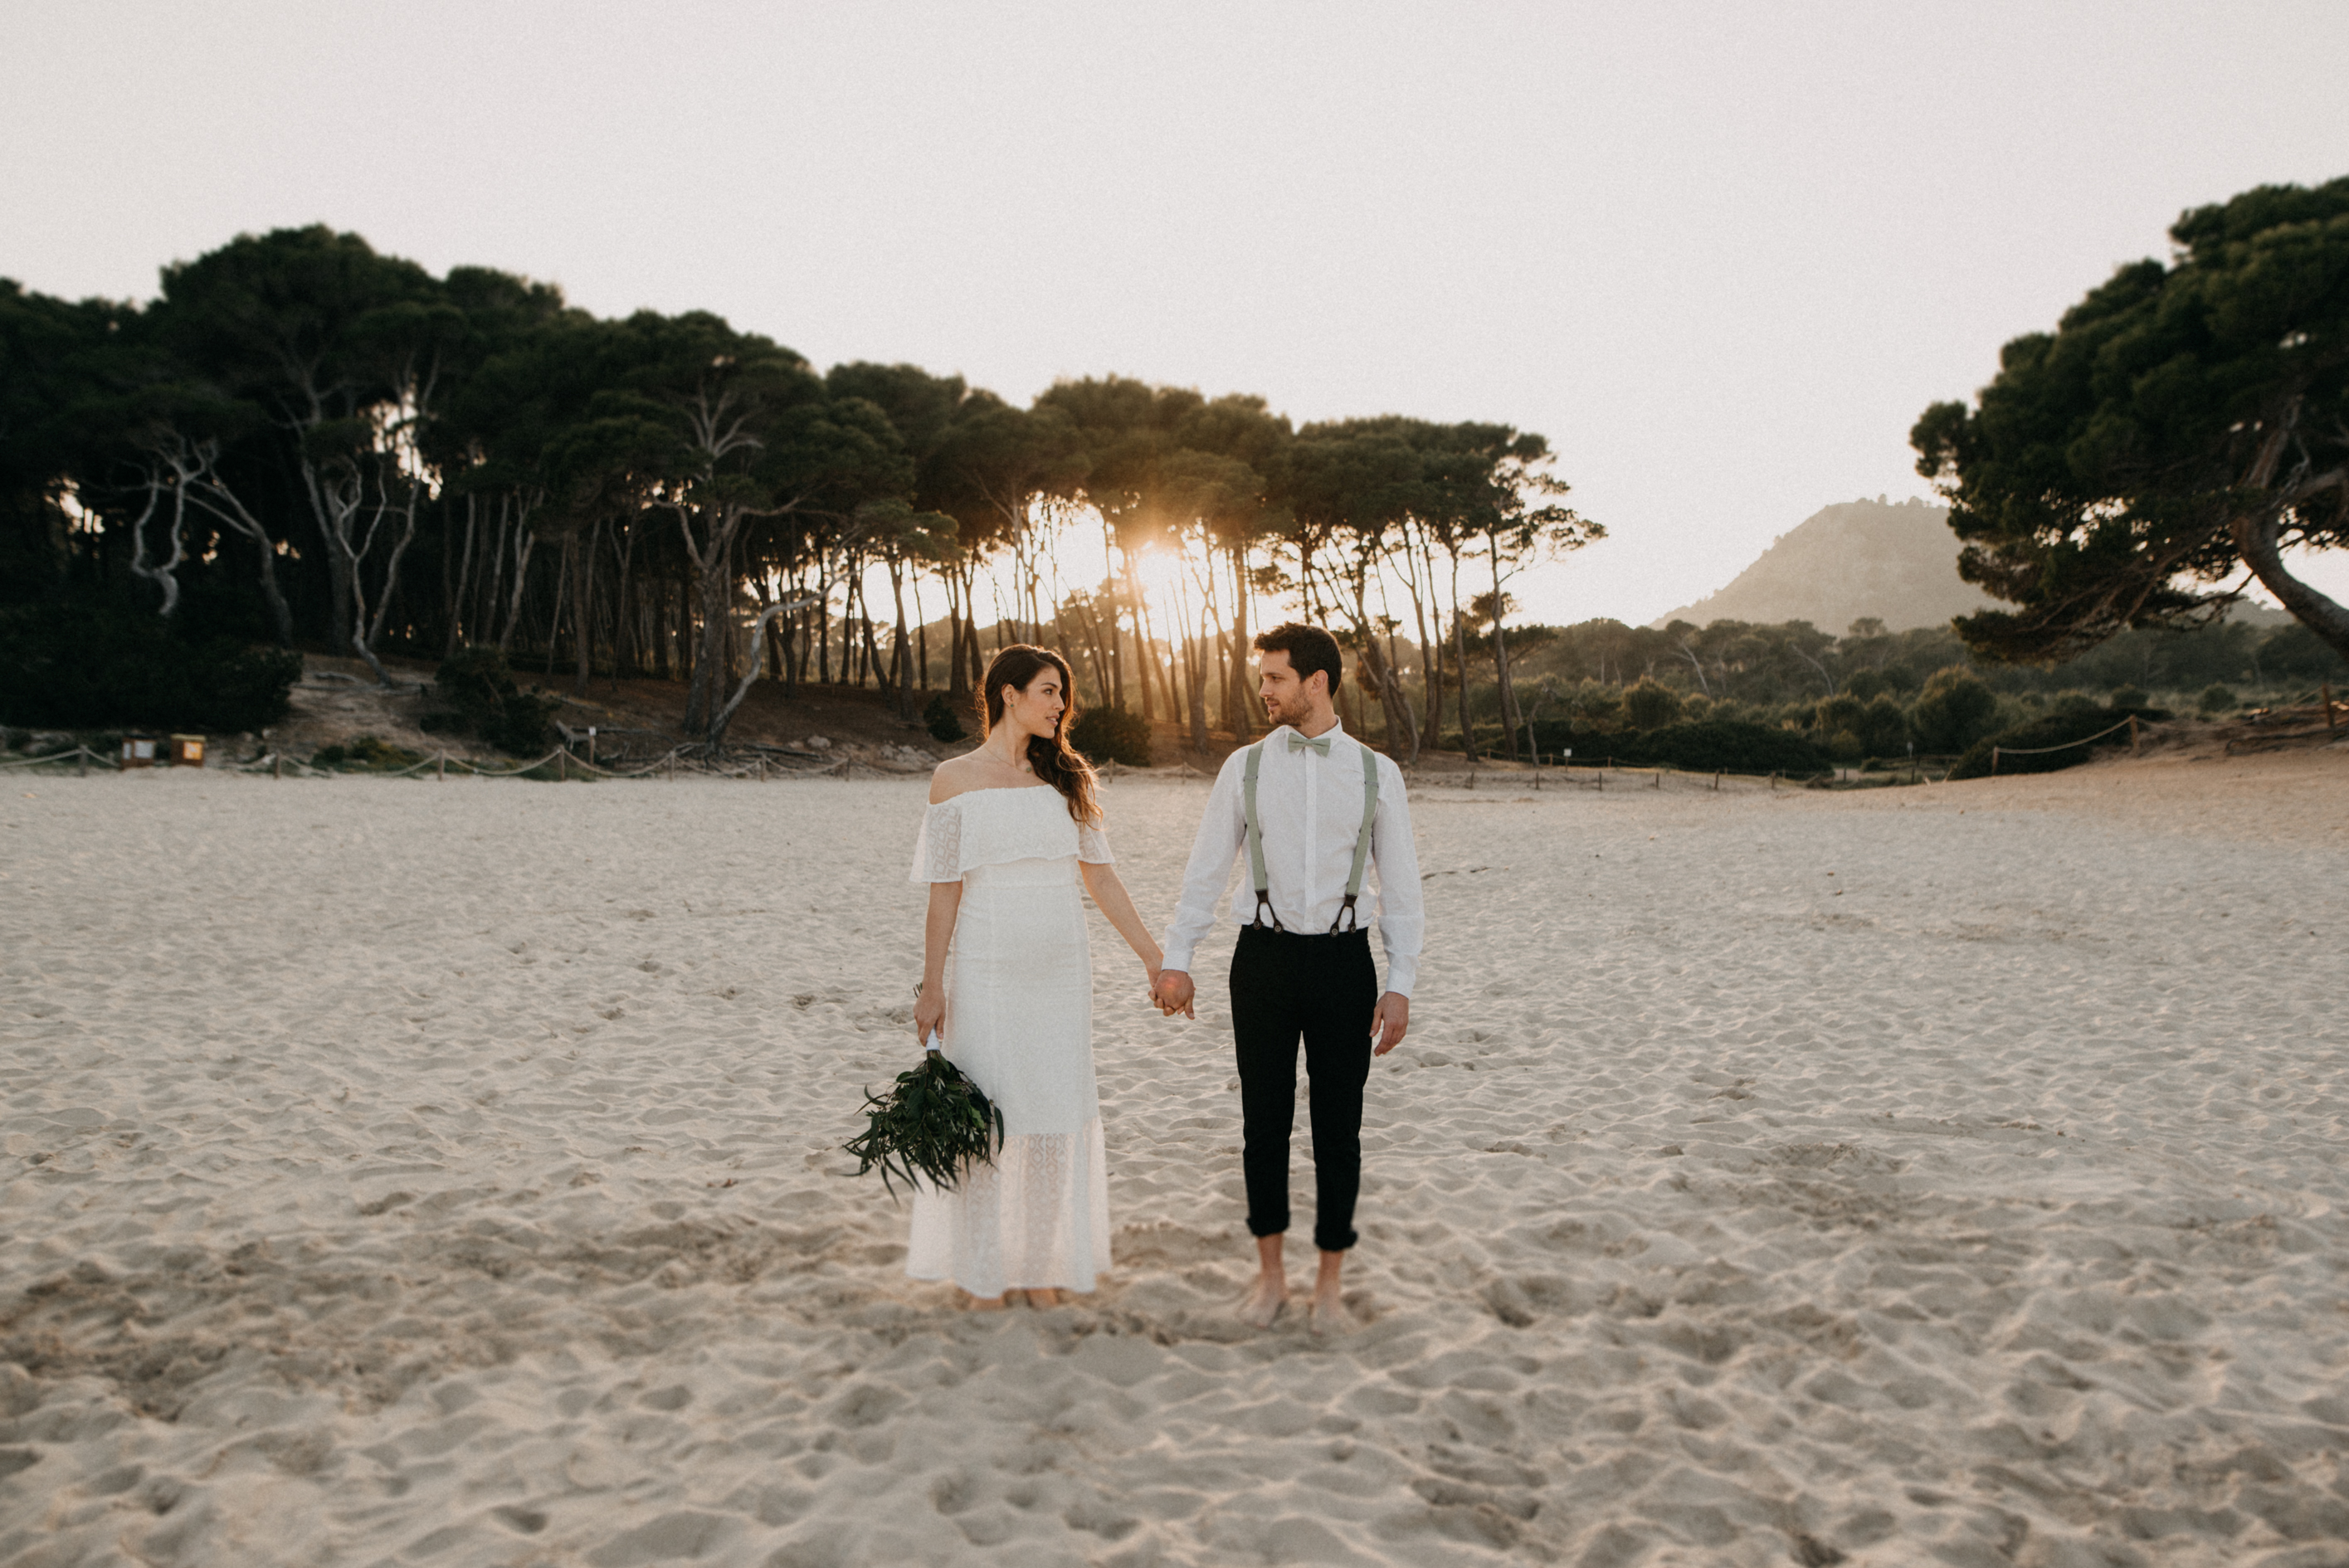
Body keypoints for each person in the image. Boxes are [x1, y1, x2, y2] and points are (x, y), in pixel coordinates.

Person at [1153, 623, 1423, 1332]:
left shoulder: (1376, 773)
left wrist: (1401, 981)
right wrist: (1177, 957)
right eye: (1263, 677)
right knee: (1263, 1124)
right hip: (1262, 961)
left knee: (1341, 1129)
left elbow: (1401, 886)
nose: (1262, 690)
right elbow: (1206, 869)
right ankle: (1270, 1279)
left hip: (1345, 965)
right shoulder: (1242, 767)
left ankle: (1329, 1284)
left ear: (1316, 681)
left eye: (1274, 678)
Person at [908, 645, 1164, 1309]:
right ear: (1007, 694)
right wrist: (932, 986)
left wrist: (1151, 955)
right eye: (1049, 692)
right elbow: (943, 891)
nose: (1060, 706)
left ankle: (1041, 1267)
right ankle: (984, 1272)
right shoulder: (953, 779)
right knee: (989, 1121)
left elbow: (1100, 877)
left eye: (1062, 695)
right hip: (988, 974)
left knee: (1052, 1119)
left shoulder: (1068, 778)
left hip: (1060, 974)